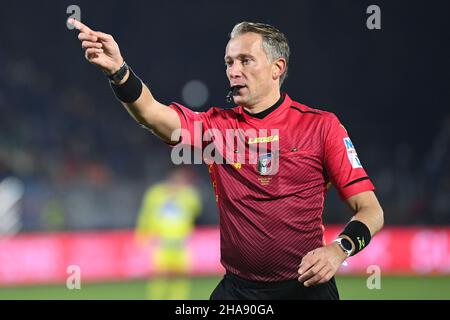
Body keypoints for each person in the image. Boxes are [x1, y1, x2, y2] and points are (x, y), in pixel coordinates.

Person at [69, 18, 384, 300]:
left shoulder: (321, 126)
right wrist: (119, 71)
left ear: (278, 68)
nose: (234, 71)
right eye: (229, 62)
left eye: (246, 60)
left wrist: (338, 249)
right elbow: (153, 114)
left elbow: (370, 210)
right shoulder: (217, 127)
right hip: (238, 291)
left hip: (306, 290)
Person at [135, 166, 202, 299]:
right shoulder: (155, 194)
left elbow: (196, 210)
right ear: (170, 177)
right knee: (160, 276)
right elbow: (145, 215)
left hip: (181, 243)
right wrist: (142, 235)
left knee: (180, 276)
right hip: (161, 242)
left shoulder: (188, 195)